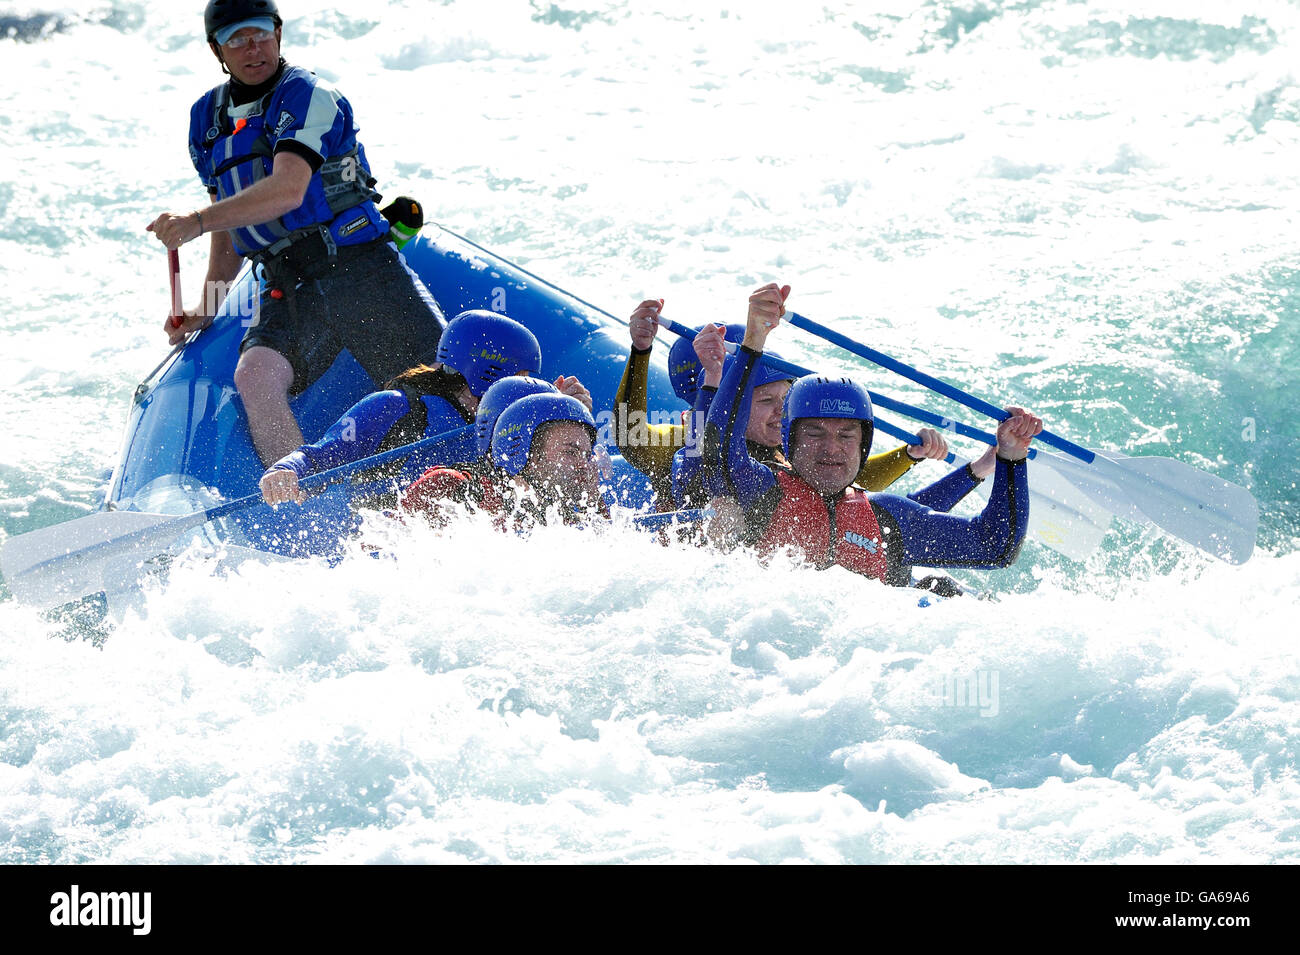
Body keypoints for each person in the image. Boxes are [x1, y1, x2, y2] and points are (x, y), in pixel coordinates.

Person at [147, 0, 446, 466]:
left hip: (359, 266)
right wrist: (205, 309)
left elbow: (288, 190)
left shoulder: (308, 94)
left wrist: (195, 222)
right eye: (236, 39)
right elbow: (228, 233)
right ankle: (294, 493)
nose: (253, 47)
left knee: (443, 385)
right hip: (287, 282)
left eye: (261, 32)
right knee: (255, 376)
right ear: (216, 50)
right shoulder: (206, 119)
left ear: (278, 34)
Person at [703, 283, 1043, 587]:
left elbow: (994, 546)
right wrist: (753, 341)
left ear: (863, 445)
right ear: (790, 439)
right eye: (816, 433)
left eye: (846, 436)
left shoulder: (890, 518)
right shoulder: (757, 490)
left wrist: (1011, 458)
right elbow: (719, 443)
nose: (831, 448)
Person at [612, 300, 950, 507]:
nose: (781, 411)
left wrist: (908, 455)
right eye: (766, 399)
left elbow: (846, 478)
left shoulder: (791, 442)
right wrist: (641, 350)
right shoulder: (683, 442)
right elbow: (629, 436)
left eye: (786, 397)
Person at [259, 311, 590, 505]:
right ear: (487, 371)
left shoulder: (516, 425)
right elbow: (320, 456)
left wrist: (565, 417)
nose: (526, 388)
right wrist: (286, 470)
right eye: (521, 377)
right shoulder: (394, 407)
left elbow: (556, 482)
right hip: (391, 535)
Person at [402, 393, 604, 530]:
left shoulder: (559, 513)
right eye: (570, 452)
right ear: (525, 452)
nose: (584, 466)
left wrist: (593, 502)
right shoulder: (447, 485)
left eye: (586, 455)